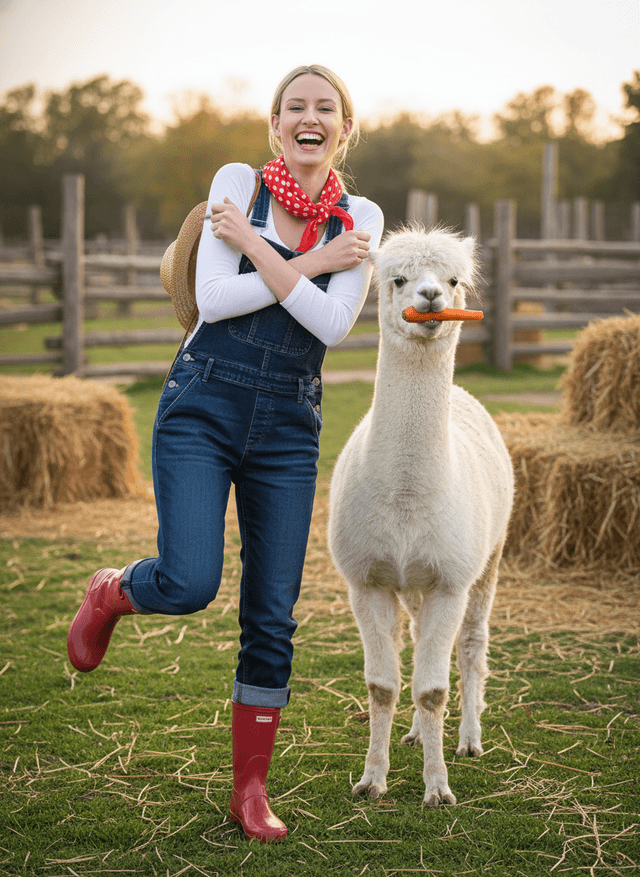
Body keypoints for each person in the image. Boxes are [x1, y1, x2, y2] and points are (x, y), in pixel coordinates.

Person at [67, 64, 384, 842]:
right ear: (275, 124)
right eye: (294, 106)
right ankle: (113, 590)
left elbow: (332, 326)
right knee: (189, 581)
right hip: (203, 405)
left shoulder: (362, 215)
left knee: (271, 615)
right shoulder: (236, 182)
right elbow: (213, 301)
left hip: (288, 426)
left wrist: (259, 252)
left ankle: (251, 790)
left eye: (326, 108)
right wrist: (312, 264)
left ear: (344, 128)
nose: (309, 117)